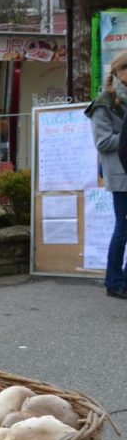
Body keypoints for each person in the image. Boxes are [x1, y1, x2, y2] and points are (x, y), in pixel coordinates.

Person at [85, 50, 127, 299]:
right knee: (123, 228)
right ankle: (113, 281)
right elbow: (102, 142)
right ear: (120, 72)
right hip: (121, 174)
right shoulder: (104, 103)